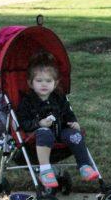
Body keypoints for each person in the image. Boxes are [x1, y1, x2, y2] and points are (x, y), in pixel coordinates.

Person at [17, 52, 99, 189]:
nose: (44, 84)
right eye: (39, 81)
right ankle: (45, 170)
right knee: (44, 132)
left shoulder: (59, 97)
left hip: (60, 131)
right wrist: (39, 124)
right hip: (37, 135)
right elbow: (23, 123)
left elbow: (68, 112)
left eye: (48, 81)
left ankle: (85, 165)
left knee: (75, 134)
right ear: (30, 83)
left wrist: (73, 122)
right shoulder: (27, 101)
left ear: (55, 84)